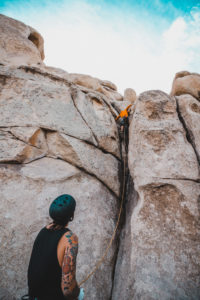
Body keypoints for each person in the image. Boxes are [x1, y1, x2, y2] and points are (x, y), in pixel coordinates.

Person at [27, 194, 84, 300]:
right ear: (71, 215)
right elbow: (68, 289)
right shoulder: (70, 239)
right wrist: (79, 292)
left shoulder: (43, 231)